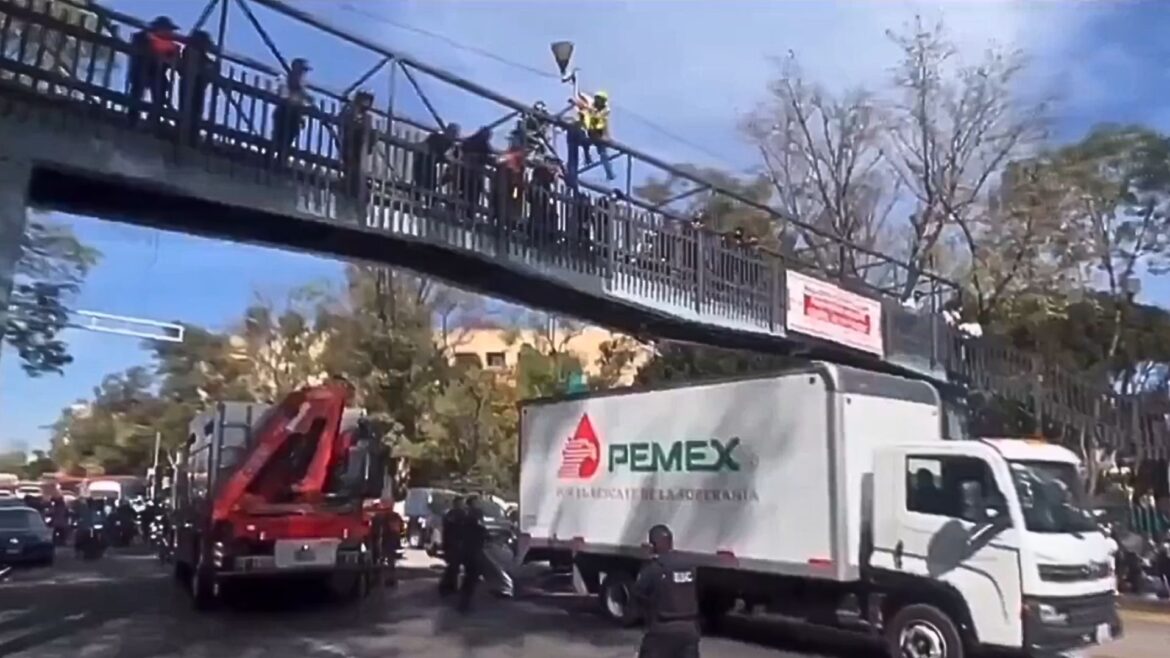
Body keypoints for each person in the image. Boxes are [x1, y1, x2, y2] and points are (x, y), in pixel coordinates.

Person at [631, 524, 700, 658]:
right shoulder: (688, 566)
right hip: (690, 629)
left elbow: (638, 593)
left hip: (663, 629)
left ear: (652, 545)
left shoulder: (654, 569)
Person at [126, 16, 181, 127]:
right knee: (137, 91)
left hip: (158, 73)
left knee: (161, 91)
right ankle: (132, 117)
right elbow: (136, 50)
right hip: (140, 69)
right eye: (166, 29)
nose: (168, 32)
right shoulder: (142, 37)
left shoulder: (170, 45)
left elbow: (175, 60)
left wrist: (169, 58)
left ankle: (154, 119)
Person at [177, 29, 217, 146]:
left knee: (195, 111)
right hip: (190, 86)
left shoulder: (198, 55)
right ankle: (188, 135)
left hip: (197, 87)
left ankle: (191, 136)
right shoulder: (189, 52)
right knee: (189, 110)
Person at [338, 89, 376, 213]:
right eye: (365, 100)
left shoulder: (366, 118)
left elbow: (370, 137)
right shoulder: (350, 112)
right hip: (350, 147)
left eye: (369, 101)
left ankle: (357, 194)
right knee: (352, 170)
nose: (367, 104)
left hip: (361, 150)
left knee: (357, 172)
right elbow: (342, 124)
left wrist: (370, 140)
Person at [271, 57, 313, 163]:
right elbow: (284, 94)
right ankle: (271, 159)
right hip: (283, 113)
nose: (303, 73)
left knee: (288, 139)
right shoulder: (285, 79)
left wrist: (302, 117)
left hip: (294, 116)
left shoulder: (300, 84)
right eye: (302, 70)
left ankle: (281, 160)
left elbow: (301, 101)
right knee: (279, 137)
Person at [457, 495, 487, 612]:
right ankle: (465, 603)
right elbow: (482, 535)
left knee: (470, 577)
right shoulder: (474, 524)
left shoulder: (464, 519)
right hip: (473, 553)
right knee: (471, 577)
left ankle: (464, 601)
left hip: (467, 552)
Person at [438, 496, 466, 597]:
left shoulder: (451, 514)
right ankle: (448, 585)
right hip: (454, 543)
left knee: (454, 566)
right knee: (454, 565)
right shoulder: (455, 515)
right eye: (460, 503)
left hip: (454, 543)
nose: (462, 505)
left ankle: (449, 585)